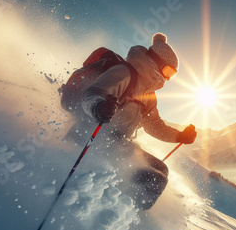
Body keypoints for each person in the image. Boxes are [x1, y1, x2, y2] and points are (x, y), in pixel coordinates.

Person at [77, 32, 197, 210]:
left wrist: (179, 136)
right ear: (156, 61)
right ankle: (123, 219)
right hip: (95, 137)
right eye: (168, 71)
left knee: (161, 169)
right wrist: (98, 107)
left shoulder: (149, 95)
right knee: (155, 179)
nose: (168, 78)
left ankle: (128, 211)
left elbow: (154, 126)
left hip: (118, 143)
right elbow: (91, 94)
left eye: (172, 74)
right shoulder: (125, 73)